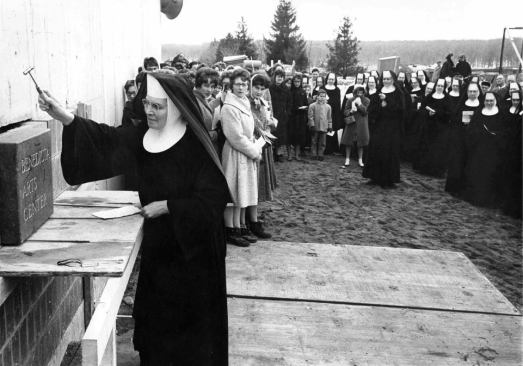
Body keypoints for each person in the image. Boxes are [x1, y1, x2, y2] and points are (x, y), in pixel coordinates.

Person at [38, 72, 230, 365]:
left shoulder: (194, 146)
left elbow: (213, 201)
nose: (149, 112)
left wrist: (168, 206)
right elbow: (106, 139)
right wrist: (66, 118)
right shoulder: (143, 137)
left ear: (176, 108)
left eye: (158, 107)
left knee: (191, 340)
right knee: (156, 331)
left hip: (195, 255)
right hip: (161, 251)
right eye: (147, 104)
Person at [221, 68, 262, 247]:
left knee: (242, 190)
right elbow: (235, 137)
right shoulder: (229, 107)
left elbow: (248, 131)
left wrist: (254, 145)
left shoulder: (244, 102)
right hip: (235, 153)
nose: (241, 87)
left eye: (244, 84)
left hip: (245, 152)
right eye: (237, 84)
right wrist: (253, 151)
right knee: (233, 191)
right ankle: (231, 229)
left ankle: (240, 225)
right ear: (231, 85)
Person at [362, 70, 405, 188]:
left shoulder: (398, 93)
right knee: (376, 149)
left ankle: (388, 179)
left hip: (392, 127)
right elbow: (372, 108)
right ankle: (374, 176)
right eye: (384, 79)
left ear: (393, 79)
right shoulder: (378, 91)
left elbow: (400, 109)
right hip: (379, 126)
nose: (386, 81)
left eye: (388, 79)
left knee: (389, 151)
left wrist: (387, 100)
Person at [248, 72, 277, 236]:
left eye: (262, 89)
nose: (259, 91)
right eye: (256, 88)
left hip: (263, 144)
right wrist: (264, 130)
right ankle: (251, 220)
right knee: (253, 183)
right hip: (253, 144)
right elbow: (253, 123)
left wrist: (271, 123)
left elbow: (269, 119)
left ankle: (254, 216)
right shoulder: (248, 102)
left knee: (259, 182)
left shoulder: (263, 101)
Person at [445, 82, 482, 195]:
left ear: (479, 92)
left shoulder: (481, 105)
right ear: (466, 92)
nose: (472, 93)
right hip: (461, 138)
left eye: (474, 91)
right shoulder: (461, 105)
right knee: (458, 163)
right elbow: (455, 121)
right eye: (470, 91)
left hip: (476, 140)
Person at [414, 78, 450, 177]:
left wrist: (437, 113)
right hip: (428, 126)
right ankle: (425, 169)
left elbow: (449, 113)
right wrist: (428, 113)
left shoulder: (447, 98)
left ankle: (437, 171)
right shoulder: (429, 97)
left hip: (441, 128)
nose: (439, 87)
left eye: (442, 86)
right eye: (438, 85)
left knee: (438, 149)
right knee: (426, 147)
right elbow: (422, 109)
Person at [500, 91, 522, 218]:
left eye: (518, 100)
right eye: (514, 100)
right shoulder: (511, 112)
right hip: (512, 149)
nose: (516, 102)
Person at [341, 86, 370, 167]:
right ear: (355, 92)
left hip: (362, 123)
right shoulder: (350, 100)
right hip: (351, 122)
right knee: (348, 141)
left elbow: (365, 111)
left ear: (364, 92)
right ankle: (347, 159)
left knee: (361, 142)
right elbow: (345, 111)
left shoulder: (367, 100)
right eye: (358, 92)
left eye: (361, 92)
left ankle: (360, 160)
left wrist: (360, 104)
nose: (359, 94)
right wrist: (350, 110)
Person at [193, 67, 220, 152]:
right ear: (198, 84)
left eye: (212, 87)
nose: (210, 90)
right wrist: (216, 133)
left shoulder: (203, 98)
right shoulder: (194, 101)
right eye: (206, 86)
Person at [269, 68, 292, 162]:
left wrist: (287, 113)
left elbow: (290, 102)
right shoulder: (270, 88)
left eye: (282, 77)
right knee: (272, 134)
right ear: (274, 77)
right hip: (272, 114)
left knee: (281, 136)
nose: (280, 79)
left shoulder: (286, 89)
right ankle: (272, 154)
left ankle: (279, 154)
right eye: (278, 76)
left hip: (282, 116)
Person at [288, 74, 309, 160]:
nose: (297, 83)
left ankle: (297, 154)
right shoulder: (290, 91)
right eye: (295, 81)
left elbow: (306, 103)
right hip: (292, 117)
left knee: (299, 136)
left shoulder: (303, 92)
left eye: (299, 82)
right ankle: (289, 155)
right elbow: (289, 104)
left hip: (300, 117)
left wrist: (304, 107)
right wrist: (296, 108)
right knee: (290, 136)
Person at [308, 89, 332, 160]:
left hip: (324, 127)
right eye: (321, 96)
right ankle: (313, 154)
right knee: (314, 141)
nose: (322, 98)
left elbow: (329, 117)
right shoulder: (312, 106)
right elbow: (310, 116)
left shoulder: (328, 107)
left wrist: (330, 126)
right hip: (315, 126)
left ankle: (321, 154)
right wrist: (312, 125)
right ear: (317, 96)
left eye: (324, 96)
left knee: (322, 142)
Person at [324, 72, 342, 154]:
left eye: (332, 79)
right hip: (324, 112)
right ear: (327, 79)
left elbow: (338, 103)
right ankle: (323, 148)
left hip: (333, 113)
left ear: (335, 80)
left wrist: (338, 115)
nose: (331, 81)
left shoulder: (337, 89)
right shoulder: (323, 88)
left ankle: (331, 149)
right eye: (329, 79)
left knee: (332, 130)